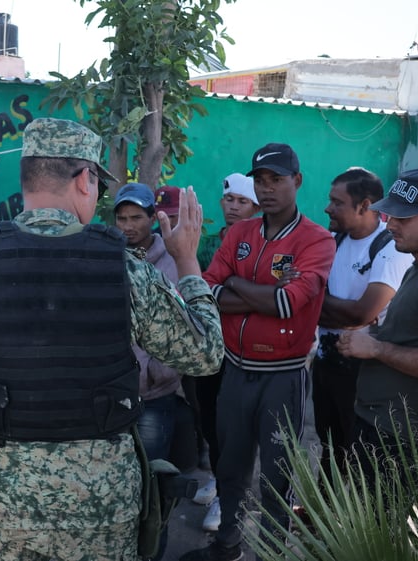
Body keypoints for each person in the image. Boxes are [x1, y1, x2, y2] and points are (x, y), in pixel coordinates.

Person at [0, 117, 224, 561]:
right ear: (83, 179)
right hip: (103, 507)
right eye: (98, 184)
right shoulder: (128, 271)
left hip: (2, 505)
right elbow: (205, 354)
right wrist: (188, 263)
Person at [184, 143, 335, 561]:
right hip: (235, 370)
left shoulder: (317, 240)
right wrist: (259, 295)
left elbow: (290, 303)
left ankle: (270, 552)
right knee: (230, 467)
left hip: (284, 375)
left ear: (297, 181)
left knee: (277, 476)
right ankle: (228, 545)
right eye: (261, 181)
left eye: (277, 180)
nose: (267, 189)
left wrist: (237, 288)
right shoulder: (239, 234)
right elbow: (208, 291)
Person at [337, 168, 418, 482]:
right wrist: (370, 336)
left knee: (384, 529)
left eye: (403, 218)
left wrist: (376, 348)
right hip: (382, 429)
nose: (390, 223)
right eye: (389, 214)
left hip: (402, 442)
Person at [113, 182, 199, 560]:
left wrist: (155, 371)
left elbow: (188, 323)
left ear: (153, 218)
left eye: (136, 218)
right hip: (114, 392)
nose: (128, 225)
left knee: (151, 488)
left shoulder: (173, 259)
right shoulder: (108, 256)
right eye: (121, 218)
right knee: (117, 487)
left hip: (155, 395)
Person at [314, 167, 412, 478]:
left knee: (357, 450)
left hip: (361, 370)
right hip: (325, 361)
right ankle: (322, 517)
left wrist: (315, 301)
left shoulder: (390, 249)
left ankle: (352, 523)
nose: (327, 208)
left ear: (365, 205)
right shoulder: (331, 240)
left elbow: (363, 314)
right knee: (328, 444)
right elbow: (300, 300)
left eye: (337, 202)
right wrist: (329, 308)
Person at [192, 173, 261, 533]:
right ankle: (220, 480)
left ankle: (231, 496)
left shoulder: (262, 245)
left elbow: (259, 299)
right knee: (209, 422)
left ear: (256, 207)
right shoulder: (206, 244)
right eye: (229, 200)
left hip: (242, 351)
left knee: (234, 428)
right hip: (206, 347)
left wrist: (223, 290)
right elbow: (198, 288)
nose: (234, 207)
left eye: (242, 202)